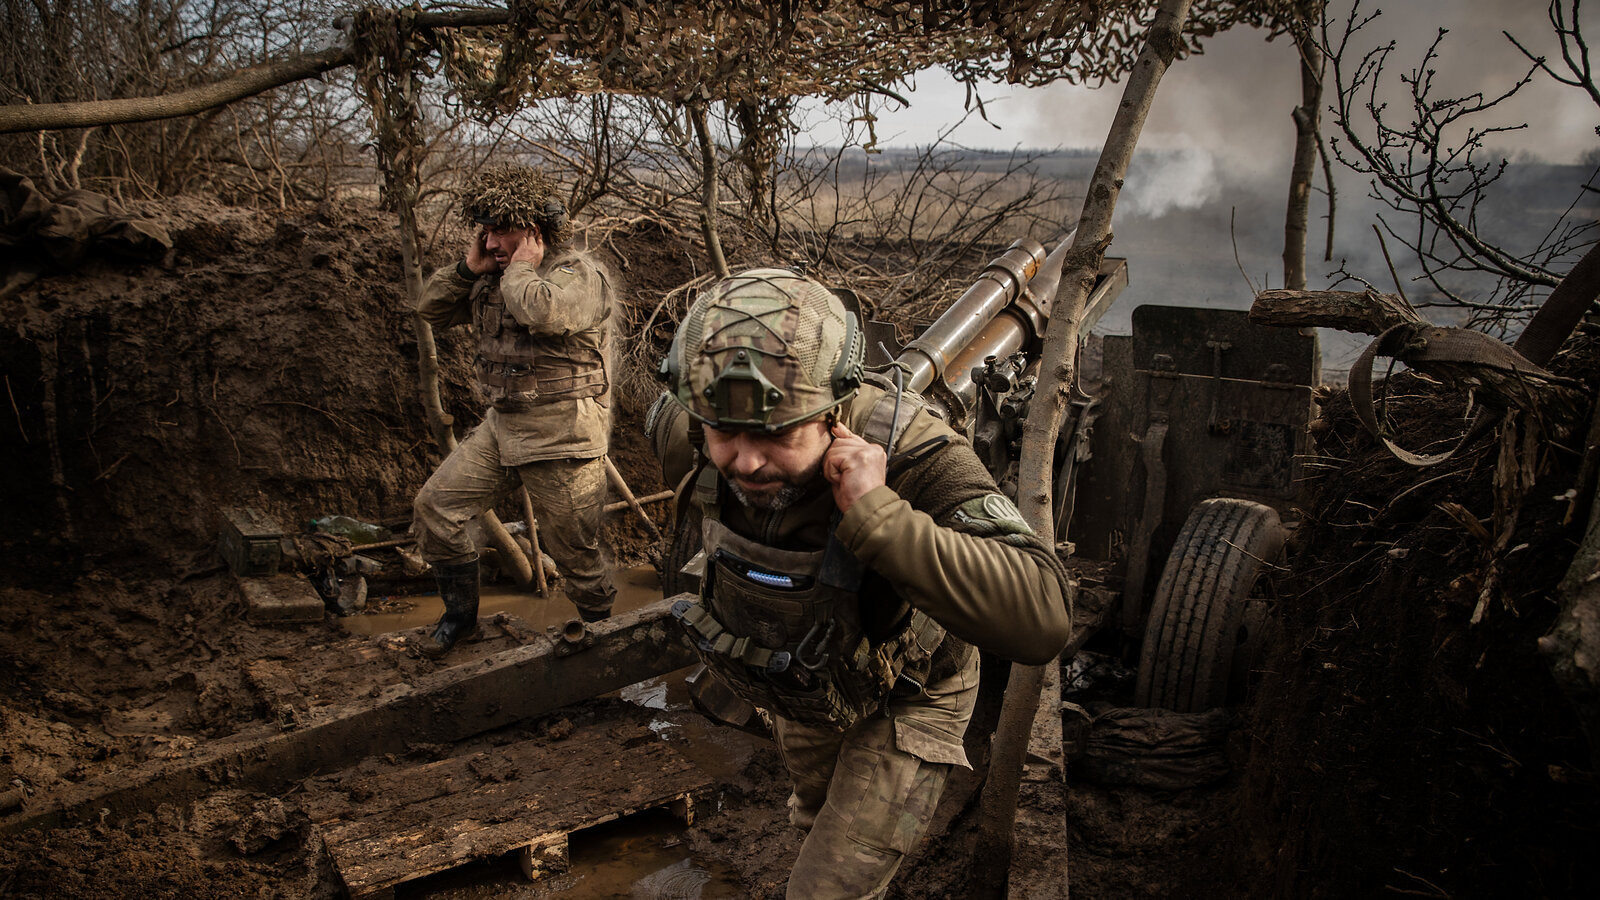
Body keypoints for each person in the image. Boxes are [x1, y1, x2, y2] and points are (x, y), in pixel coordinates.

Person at [646, 267, 1074, 898]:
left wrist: (880, 516)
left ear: (836, 411)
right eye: (723, 434)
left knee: (826, 890)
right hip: (805, 675)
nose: (745, 461)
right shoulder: (684, 424)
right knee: (817, 818)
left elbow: (1043, 614)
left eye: (775, 435)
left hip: (912, 691)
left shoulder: (914, 452)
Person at [410, 165, 618, 658]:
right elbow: (430, 309)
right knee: (435, 509)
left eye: (501, 230)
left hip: (563, 436)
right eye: (484, 230)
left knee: (577, 557)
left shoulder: (578, 275)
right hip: (502, 430)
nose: (490, 241)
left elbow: (541, 312)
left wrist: (521, 265)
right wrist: (468, 271)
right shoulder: (492, 277)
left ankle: (604, 644)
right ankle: (460, 620)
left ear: (536, 231)